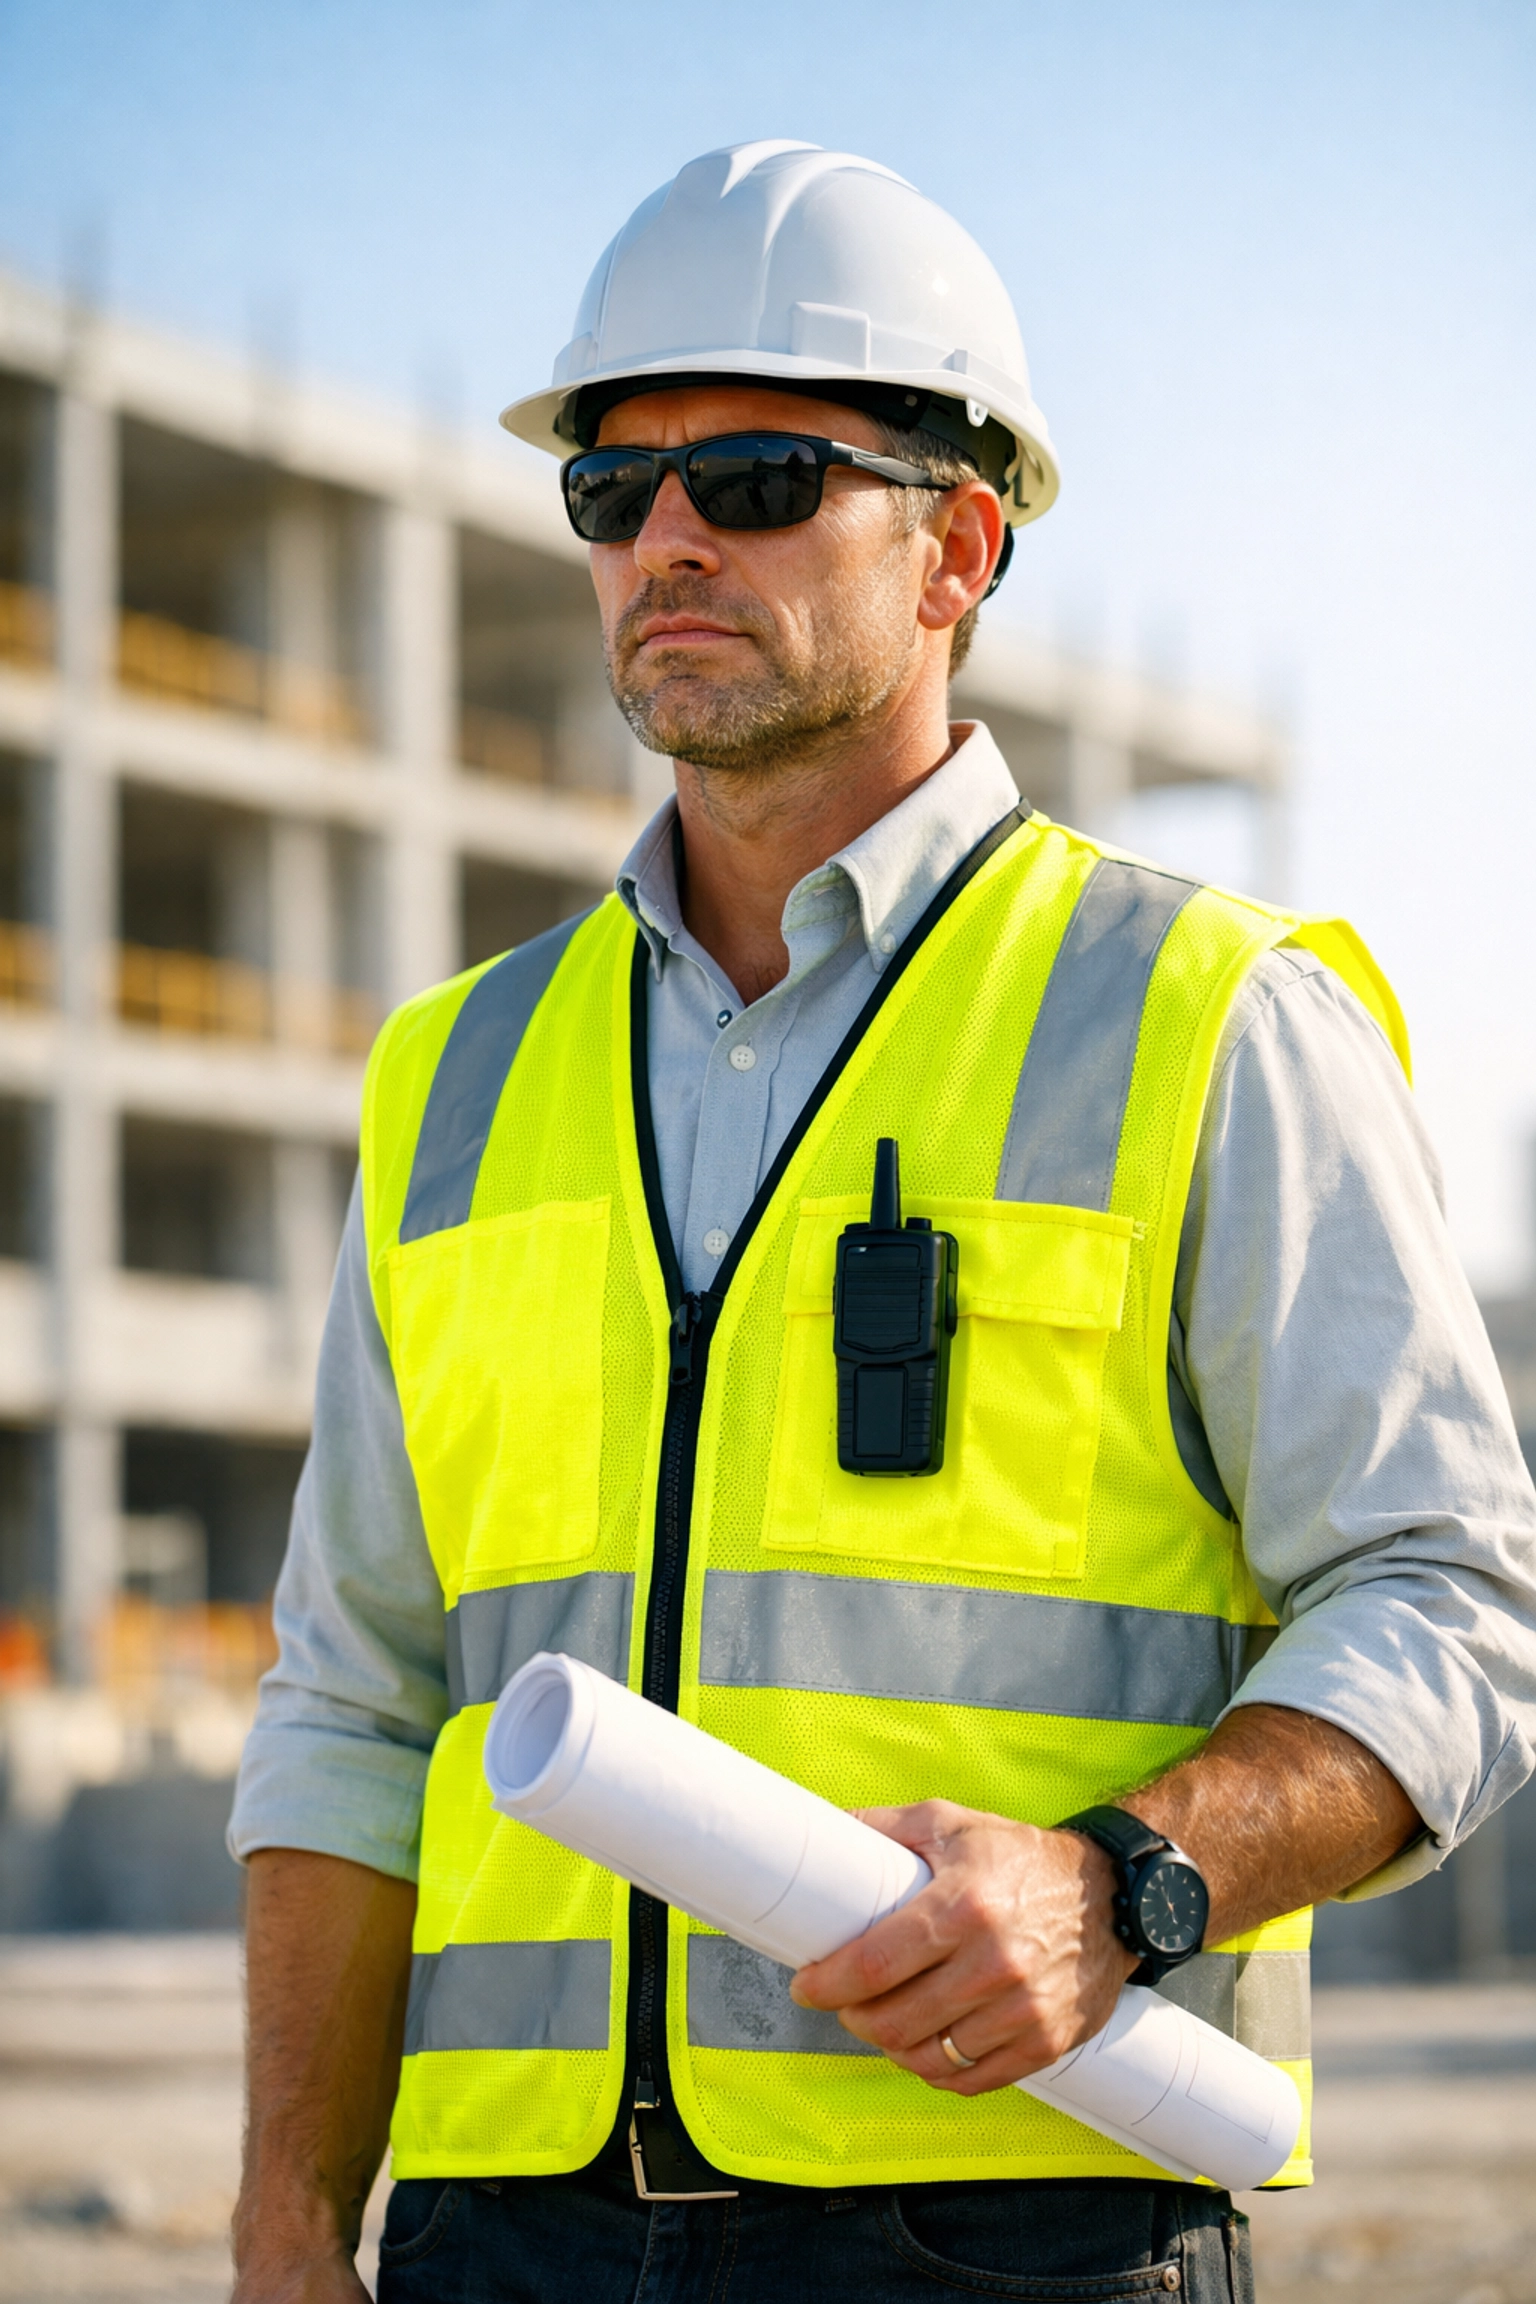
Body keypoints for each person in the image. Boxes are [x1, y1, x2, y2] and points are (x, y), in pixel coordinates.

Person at [229, 144, 1536, 2304]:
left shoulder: (1208, 1022)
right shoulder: (452, 1079)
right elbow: (354, 1702)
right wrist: (289, 2213)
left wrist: (1125, 1886)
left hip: (1007, 2229)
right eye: (609, 488)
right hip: (497, 2245)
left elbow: (1456, 1605)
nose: (663, 539)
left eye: (752, 476)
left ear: (961, 546)